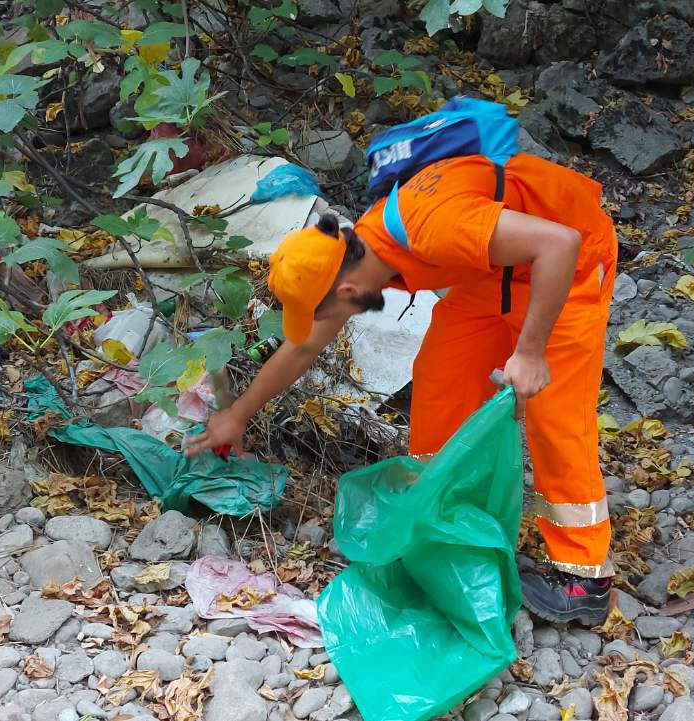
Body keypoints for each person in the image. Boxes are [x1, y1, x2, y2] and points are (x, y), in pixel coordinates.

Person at [185, 152, 620, 624]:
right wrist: (237, 414)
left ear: (346, 293)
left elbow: (561, 242)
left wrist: (531, 351)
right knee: (440, 385)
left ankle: (584, 576)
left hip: (568, 262)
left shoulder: (431, 227)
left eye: (322, 313)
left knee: (554, 414)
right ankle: (447, 531)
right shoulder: (359, 252)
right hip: (492, 270)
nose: (321, 325)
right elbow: (303, 348)